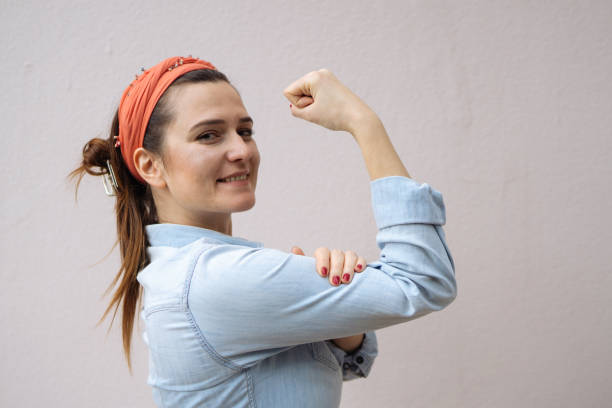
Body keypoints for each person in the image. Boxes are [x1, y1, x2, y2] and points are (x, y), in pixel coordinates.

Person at [68, 55, 457, 407]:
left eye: (246, 130)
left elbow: (343, 367)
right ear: (150, 166)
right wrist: (363, 122)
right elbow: (422, 281)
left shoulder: (186, 271)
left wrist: (340, 325)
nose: (242, 150)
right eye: (208, 135)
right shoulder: (215, 279)